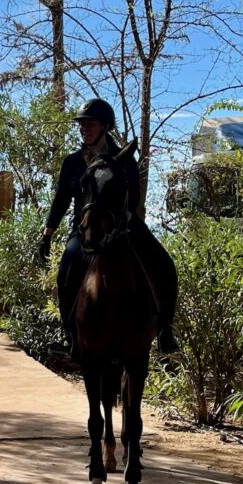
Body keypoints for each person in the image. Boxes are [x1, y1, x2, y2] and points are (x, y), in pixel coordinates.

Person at [39, 97, 178, 362]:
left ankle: (164, 332)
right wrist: (48, 234)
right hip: (86, 229)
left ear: (104, 126)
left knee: (164, 263)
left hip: (123, 225)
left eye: (89, 124)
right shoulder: (72, 162)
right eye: (81, 125)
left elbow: (135, 193)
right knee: (66, 269)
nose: (84, 129)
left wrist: (123, 219)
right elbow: (60, 200)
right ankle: (71, 338)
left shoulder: (123, 157)